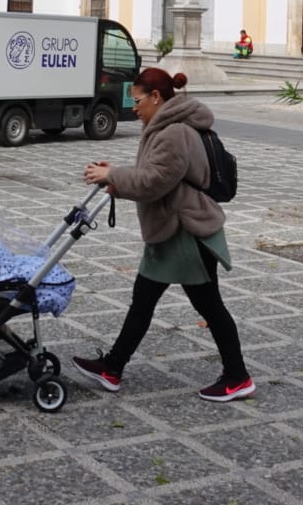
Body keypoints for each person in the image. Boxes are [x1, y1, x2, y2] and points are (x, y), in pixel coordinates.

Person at [72, 68, 254, 402]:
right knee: (143, 299)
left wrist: (114, 174)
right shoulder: (163, 126)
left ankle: (237, 377)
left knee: (209, 306)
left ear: (156, 97)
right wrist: (117, 181)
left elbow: (155, 180)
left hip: (186, 231)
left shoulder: (174, 132)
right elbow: (151, 176)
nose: (134, 108)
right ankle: (112, 367)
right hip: (170, 228)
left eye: (138, 100)